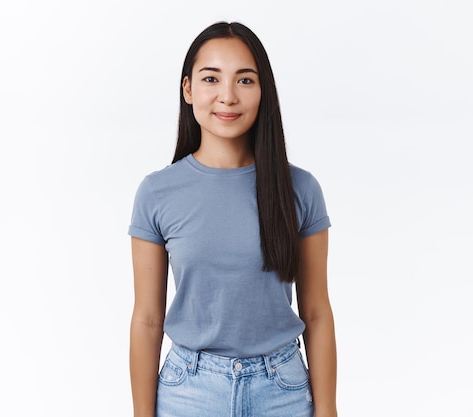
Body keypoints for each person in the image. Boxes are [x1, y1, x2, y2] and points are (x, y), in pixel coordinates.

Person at [128, 21, 337, 417]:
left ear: (263, 92)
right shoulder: (156, 193)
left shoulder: (300, 189)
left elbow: (316, 312)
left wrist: (327, 411)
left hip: (283, 391)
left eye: (245, 80)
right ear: (188, 89)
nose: (227, 96)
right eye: (211, 78)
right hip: (188, 391)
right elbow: (147, 318)